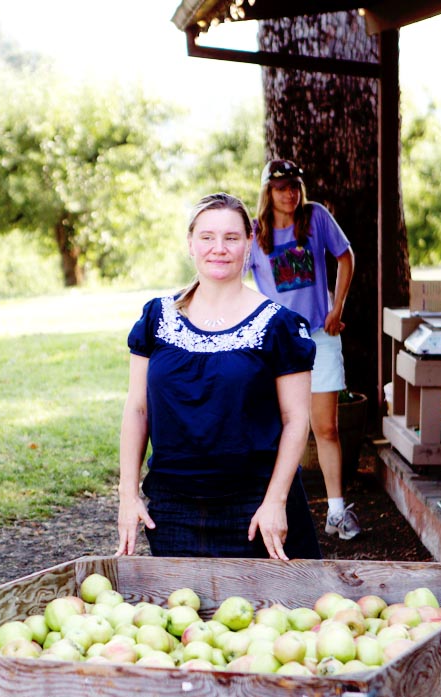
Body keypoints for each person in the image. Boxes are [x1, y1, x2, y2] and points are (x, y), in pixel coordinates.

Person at [116, 191, 321, 561]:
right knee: (180, 615)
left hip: (256, 508)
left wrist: (275, 502)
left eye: (231, 238)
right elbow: (137, 410)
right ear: (190, 245)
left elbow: (296, 421)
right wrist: (128, 496)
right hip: (172, 508)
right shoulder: (156, 318)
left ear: (248, 244)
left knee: (264, 617)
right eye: (207, 237)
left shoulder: (279, 325)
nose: (219, 248)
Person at [249, 159, 361, 541]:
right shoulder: (253, 232)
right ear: (268, 192)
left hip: (319, 335)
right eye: (281, 187)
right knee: (276, 426)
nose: (290, 193)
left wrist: (337, 308)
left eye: (294, 185)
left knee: (325, 427)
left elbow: (345, 256)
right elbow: (231, 277)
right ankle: (273, 506)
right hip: (278, 342)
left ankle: (335, 512)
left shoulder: (315, 217)